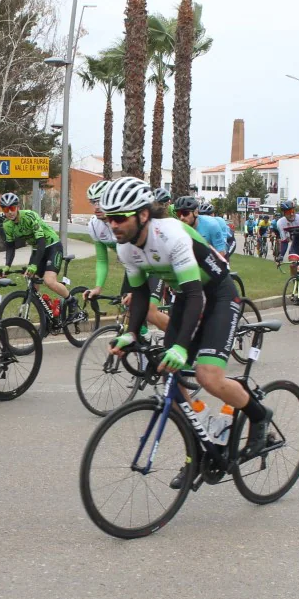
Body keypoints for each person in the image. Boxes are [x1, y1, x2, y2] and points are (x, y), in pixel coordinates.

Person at [100, 176, 272, 490]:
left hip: (217, 293)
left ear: (142, 215)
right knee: (169, 378)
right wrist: (130, 334)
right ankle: (203, 444)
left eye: (120, 217)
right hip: (186, 295)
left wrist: (180, 347)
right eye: (109, 218)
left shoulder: (170, 234)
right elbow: (139, 295)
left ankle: (259, 416)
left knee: (208, 376)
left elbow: (196, 295)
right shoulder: (126, 248)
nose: (113, 225)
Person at [83, 179, 167, 332]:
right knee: (127, 309)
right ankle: (142, 343)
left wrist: (137, 292)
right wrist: (98, 287)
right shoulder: (94, 225)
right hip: (134, 266)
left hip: (155, 266)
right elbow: (102, 260)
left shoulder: (128, 223)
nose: (96, 206)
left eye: (99, 201)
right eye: (92, 202)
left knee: (149, 311)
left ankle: (183, 342)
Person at [0, 192, 81, 318]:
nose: (9, 212)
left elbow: (41, 242)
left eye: (12, 208)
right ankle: (46, 313)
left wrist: (34, 265)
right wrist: (7, 266)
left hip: (52, 246)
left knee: (49, 281)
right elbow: (10, 247)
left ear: (18, 207)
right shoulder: (7, 225)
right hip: (38, 250)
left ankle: (72, 301)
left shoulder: (30, 216)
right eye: (5, 209)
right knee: (32, 284)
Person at [274, 199, 299, 276]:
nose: (291, 214)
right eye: (288, 212)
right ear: (283, 213)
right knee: (293, 264)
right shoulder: (281, 223)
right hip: (296, 243)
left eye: (292, 211)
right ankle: (296, 283)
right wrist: (281, 256)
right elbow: (284, 241)